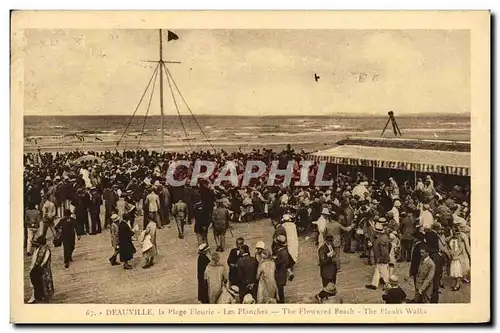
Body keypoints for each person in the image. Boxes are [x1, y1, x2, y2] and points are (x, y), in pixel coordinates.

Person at [27, 235, 54, 304]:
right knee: (39, 282)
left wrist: (39, 266)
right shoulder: (39, 248)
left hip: (42, 269)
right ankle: (39, 295)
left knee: (42, 281)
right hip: (39, 268)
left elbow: (44, 260)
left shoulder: (44, 249)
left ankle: (39, 296)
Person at [365, 222, 391, 290]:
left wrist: (382, 258)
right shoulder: (383, 237)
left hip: (382, 259)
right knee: (377, 270)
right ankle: (374, 284)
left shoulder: (381, 239)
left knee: (385, 273)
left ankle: (389, 286)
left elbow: (384, 251)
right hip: (381, 258)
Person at [273, 235, 293, 304]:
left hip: (279, 273)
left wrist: (274, 259)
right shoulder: (285, 251)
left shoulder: (280, 253)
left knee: (279, 289)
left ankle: (281, 302)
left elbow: (277, 263)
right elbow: (291, 262)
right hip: (283, 273)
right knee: (280, 288)